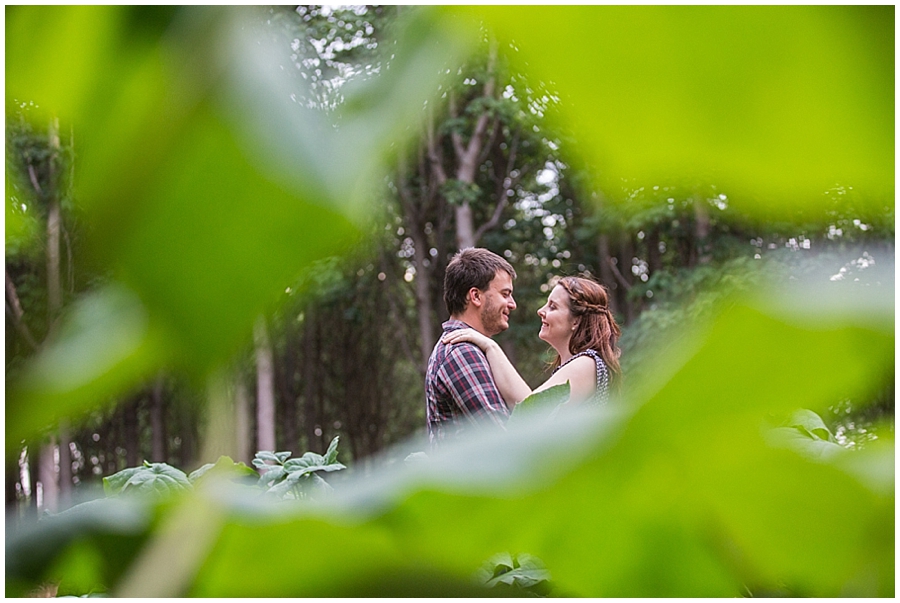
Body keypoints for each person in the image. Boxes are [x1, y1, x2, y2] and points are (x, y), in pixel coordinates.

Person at [442, 275, 622, 409]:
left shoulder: (587, 364)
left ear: (576, 321)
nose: (541, 311)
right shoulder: (581, 365)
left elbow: (529, 413)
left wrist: (491, 347)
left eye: (553, 306)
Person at [425, 248, 518, 446]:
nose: (512, 304)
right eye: (505, 294)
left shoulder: (468, 348)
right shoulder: (461, 351)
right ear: (475, 296)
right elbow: (505, 440)